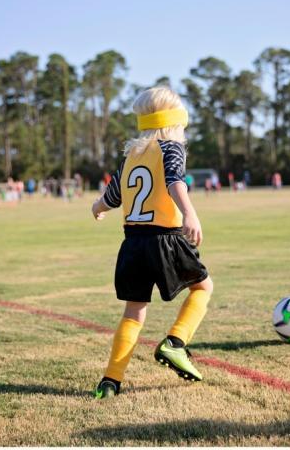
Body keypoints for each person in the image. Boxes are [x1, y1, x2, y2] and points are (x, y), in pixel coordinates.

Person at [90, 86, 212, 399]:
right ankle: (175, 343)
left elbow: (112, 196)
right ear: (176, 121)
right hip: (164, 238)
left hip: (132, 243)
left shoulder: (132, 155)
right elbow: (175, 181)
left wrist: (97, 208)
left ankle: (110, 381)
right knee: (203, 288)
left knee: (133, 313)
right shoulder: (171, 147)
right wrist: (190, 213)